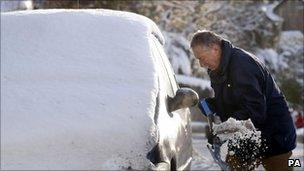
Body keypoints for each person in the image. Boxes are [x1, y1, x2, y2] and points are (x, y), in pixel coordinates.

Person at [190, 30, 296, 171]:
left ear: (215, 48)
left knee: (285, 167)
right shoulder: (217, 69)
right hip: (246, 136)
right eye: (198, 59)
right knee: (234, 167)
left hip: (274, 135)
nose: (201, 64)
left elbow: (255, 109)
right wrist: (214, 104)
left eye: (202, 58)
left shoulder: (243, 65)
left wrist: (225, 128)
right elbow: (234, 100)